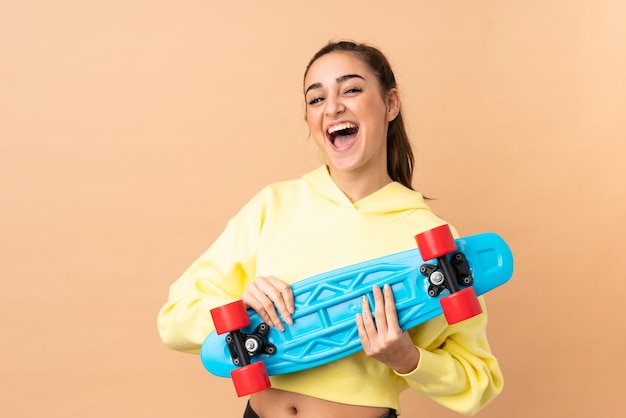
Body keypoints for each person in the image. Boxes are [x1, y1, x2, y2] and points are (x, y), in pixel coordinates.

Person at [157, 40, 503, 417]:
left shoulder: (434, 241)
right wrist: (238, 308)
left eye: (351, 89)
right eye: (316, 98)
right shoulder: (273, 205)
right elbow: (174, 318)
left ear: (390, 104)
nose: (333, 106)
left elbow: (479, 381)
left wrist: (408, 358)